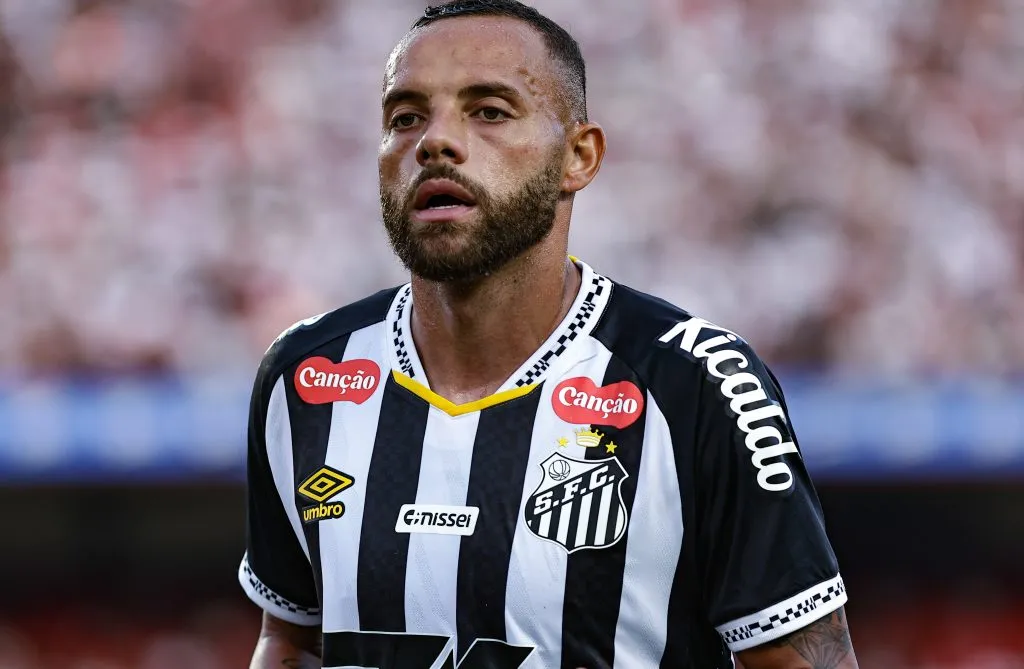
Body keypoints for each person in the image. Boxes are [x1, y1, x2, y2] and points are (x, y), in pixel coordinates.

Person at [238, 1, 860, 667]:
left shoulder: (699, 385)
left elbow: (804, 659)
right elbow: (292, 637)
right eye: (405, 117)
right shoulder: (306, 377)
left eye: (489, 111)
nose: (435, 141)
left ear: (579, 156)